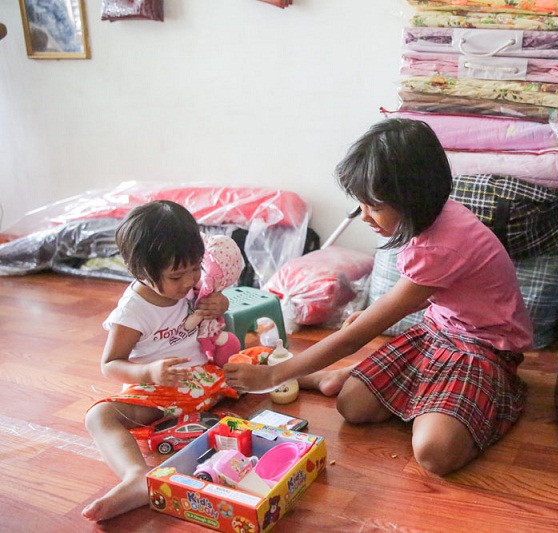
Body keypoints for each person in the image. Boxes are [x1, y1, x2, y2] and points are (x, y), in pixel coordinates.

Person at [225, 118, 532, 475]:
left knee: (434, 453)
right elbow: (430, 291)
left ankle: (468, 396)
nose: (366, 218)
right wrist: (375, 314)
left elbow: (354, 337)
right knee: (352, 407)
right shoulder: (432, 218)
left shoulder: (444, 242)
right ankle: (349, 376)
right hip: (441, 331)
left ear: (413, 198)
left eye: (375, 206)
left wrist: (274, 375)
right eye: (361, 205)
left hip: (485, 348)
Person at [82, 200, 239, 522]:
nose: (189, 281)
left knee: (261, 356)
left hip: (208, 379)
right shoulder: (132, 312)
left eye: (196, 267)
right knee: (99, 416)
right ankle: (136, 478)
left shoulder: (192, 285)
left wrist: (219, 303)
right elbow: (110, 364)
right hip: (161, 397)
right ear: (140, 271)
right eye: (177, 275)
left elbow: (214, 311)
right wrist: (148, 372)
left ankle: (315, 377)